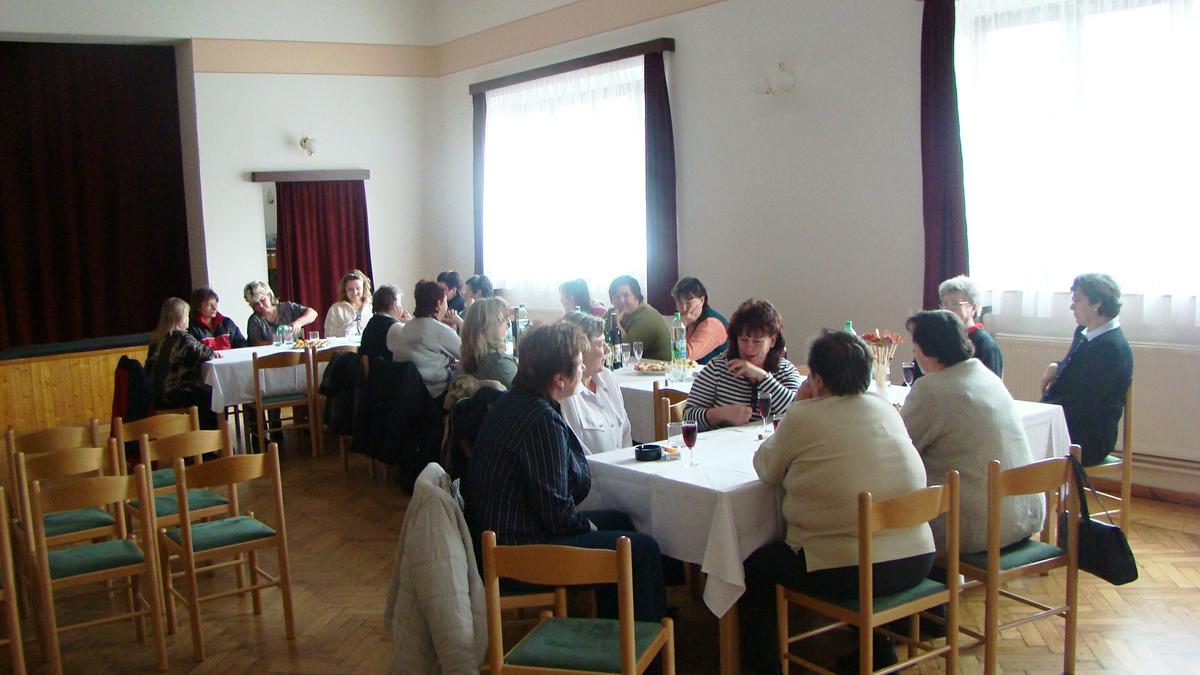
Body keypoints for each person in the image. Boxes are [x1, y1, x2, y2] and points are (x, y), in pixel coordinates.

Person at [742, 330, 935, 673]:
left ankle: (763, 668)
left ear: (817, 379)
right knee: (861, 535)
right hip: (916, 559)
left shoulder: (805, 416)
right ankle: (877, 650)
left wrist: (799, 404)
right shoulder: (885, 408)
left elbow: (766, 469)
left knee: (754, 565)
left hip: (852, 571)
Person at [463, 323, 667, 622]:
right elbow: (556, 512)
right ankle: (641, 640)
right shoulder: (541, 420)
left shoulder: (515, 400)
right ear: (559, 379)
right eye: (580, 364)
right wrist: (588, 526)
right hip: (520, 552)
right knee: (644, 550)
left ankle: (616, 624)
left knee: (622, 521)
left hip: (504, 534)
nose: (584, 368)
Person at [901, 310, 1043, 556]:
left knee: (888, 512)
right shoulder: (986, 376)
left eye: (915, 348)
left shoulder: (931, 389)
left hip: (976, 527)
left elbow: (900, 449)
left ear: (926, 350)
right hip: (1022, 516)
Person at [1040, 273, 1134, 466]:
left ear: (1096, 303)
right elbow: (1076, 368)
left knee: (1021, 442)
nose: (1072, 306)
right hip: (1070, 423)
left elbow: (1083, 402)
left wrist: (1043, 412)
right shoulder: (1084, 332)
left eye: (1077, 300)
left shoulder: (1111, 347)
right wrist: (1057, 366)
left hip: (1089, 436)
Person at [683, 299, 802, 431]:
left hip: (770, 442)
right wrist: (719, 414)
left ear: (772, 341)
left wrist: (762, 377)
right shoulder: (718, 367)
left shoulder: (785, 370)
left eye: (757, 341)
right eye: (744, 340)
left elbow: (798, 413)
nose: (749, 348)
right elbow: (687, 418)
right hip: (725, 442)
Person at [558, 311, 632, 454]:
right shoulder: (567, 391)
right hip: (593, 468)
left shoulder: (607, 377)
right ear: (580, 349)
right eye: (600, 344)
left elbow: (625, 433)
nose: (608, 350)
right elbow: (577, 452)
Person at [146, 297, 221, 429]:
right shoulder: (182, 338)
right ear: (179, 318)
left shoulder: (156, 339)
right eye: (186, 315)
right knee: (213, 399)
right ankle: (210, 438)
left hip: (155, 394)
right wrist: (212, 352)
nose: (188, 319)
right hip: (175, 394)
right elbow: (205, 352)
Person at [912, 275, 1002, 379]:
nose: (948, 310)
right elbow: (915, 378)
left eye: (955, 304)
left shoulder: (985, 344)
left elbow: (987, 384)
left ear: (973, 308)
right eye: (945, 304)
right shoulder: (936, 338)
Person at [389, 280, 463, 400]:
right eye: (445, 301)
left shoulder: (406, 327)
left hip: (406, 395)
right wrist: (458, 324)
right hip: (433, 396)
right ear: (439, 303)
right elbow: (468, 355)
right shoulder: (441, 330)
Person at [607, 275, 670, 361]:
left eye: (626, 295)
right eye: (617, 297)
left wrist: (616, 325)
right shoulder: (614, 312)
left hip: (657, 367)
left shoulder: (647, 317)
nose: (621, 300)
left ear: (636, 296)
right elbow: (594, 334)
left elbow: (627, 353)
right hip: (633, 366)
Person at [460, 297, 517, 387]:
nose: (508, 325)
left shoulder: (465, 361)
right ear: (491, 327)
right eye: (504, 320)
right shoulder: (501, 364)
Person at [671, 276, 728, 365]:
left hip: (718, 373)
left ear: (702, 300)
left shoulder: (711, 324)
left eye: (688, 303)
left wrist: (682, 324)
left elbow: (683, 356)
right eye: (680, 303)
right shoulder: (692, 320)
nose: (684, 308)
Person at [243, 281, 317, 347]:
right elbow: (256, 345)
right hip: (270, 356)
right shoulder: (255, 320)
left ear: (269, 295)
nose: (261, 306)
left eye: (262, 300)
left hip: (295, 353)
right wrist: (278, 339)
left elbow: (313, 313)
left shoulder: (287, 308)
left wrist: (298, 322)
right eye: (256, 304)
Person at [358, 284, 411, 362]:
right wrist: (410, 324)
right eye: (400, 304)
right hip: (387, 369)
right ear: (395, 305)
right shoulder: (395, 327)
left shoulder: (372, 322)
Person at [324, 269, 372, 338]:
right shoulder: (335, 309)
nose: (355, 292)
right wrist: (345, 329)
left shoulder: (372, 306)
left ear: (364, 288)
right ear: (345, 290)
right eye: (350, 289)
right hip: (346, 345)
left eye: (358, 288)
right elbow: (328, 335)